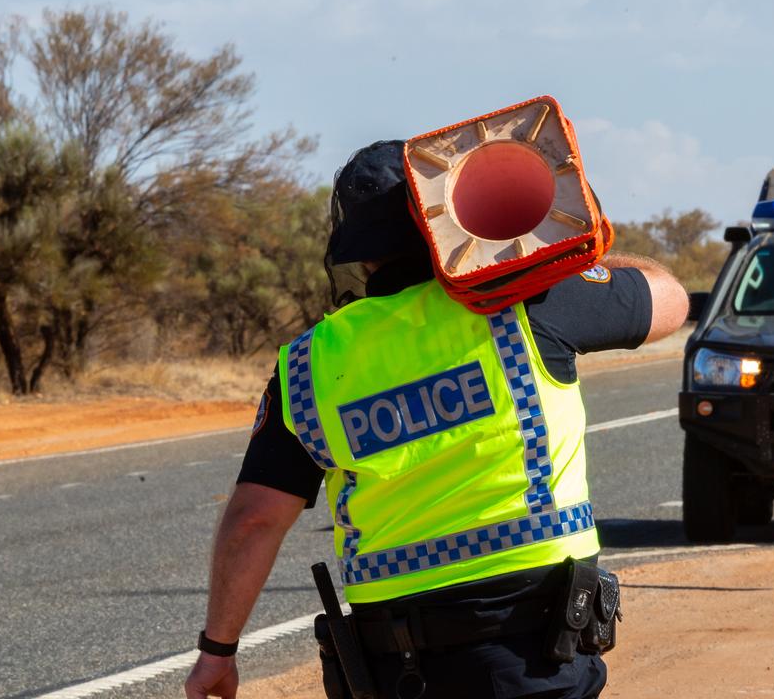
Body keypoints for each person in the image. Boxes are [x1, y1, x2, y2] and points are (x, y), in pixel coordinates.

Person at [184, 139, 688, 698]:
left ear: (361, 251)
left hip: (394, 671)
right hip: (536, 654)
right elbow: (671, 300)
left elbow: (255, 518)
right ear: (445, 219)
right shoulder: (522, 304)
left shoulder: (308, 363)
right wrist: (567, 260)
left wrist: (218, 652)